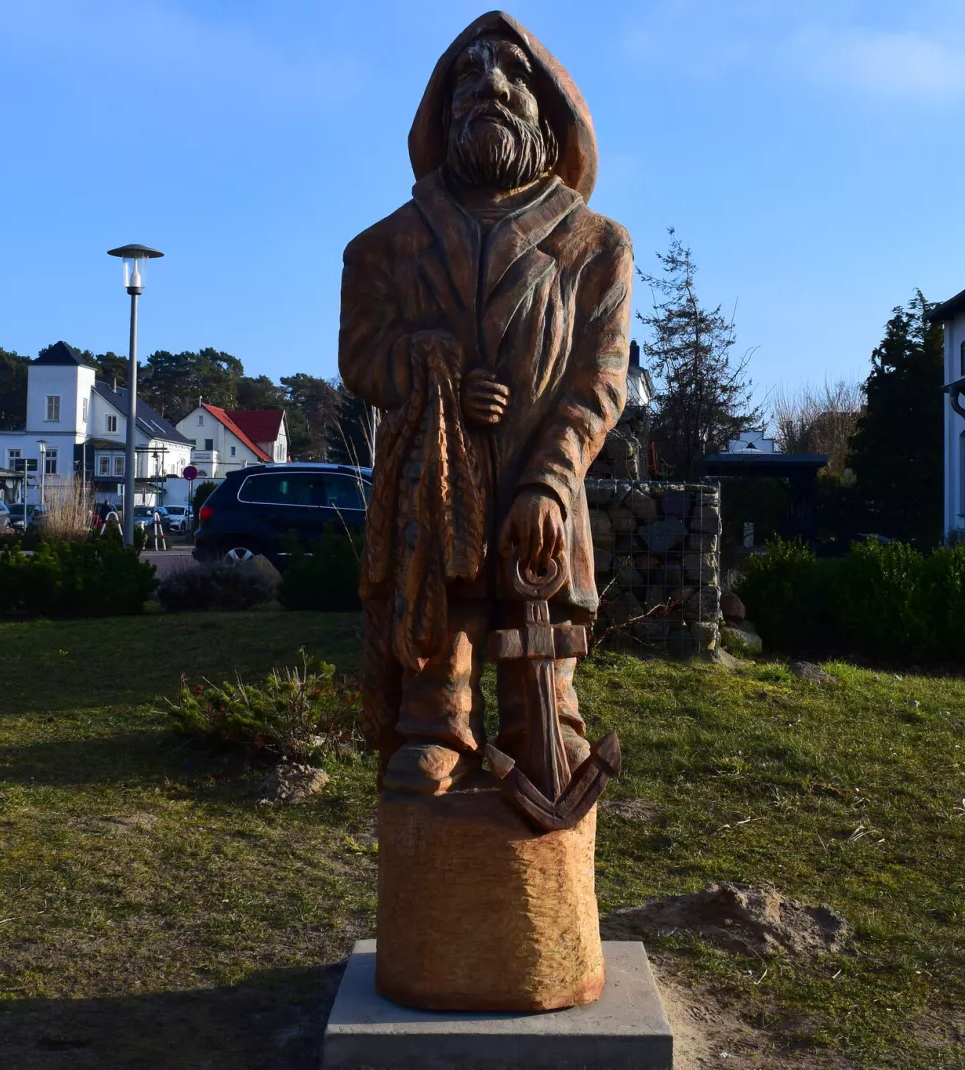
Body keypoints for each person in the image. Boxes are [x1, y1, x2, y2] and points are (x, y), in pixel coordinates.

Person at [340, 11, 631, 795]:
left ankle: (546, 719)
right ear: (439, 111)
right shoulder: (387, 245)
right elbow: (360, 355)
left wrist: (549, 481)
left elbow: (600, 382)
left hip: (542, 478)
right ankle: (437, 721)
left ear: (550, 110)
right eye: (467, 76)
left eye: (511, 76)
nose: (490, 88)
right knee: (446, 603)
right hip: (440, 480)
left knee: (538, 621)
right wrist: (429, 366)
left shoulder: (594, 245)